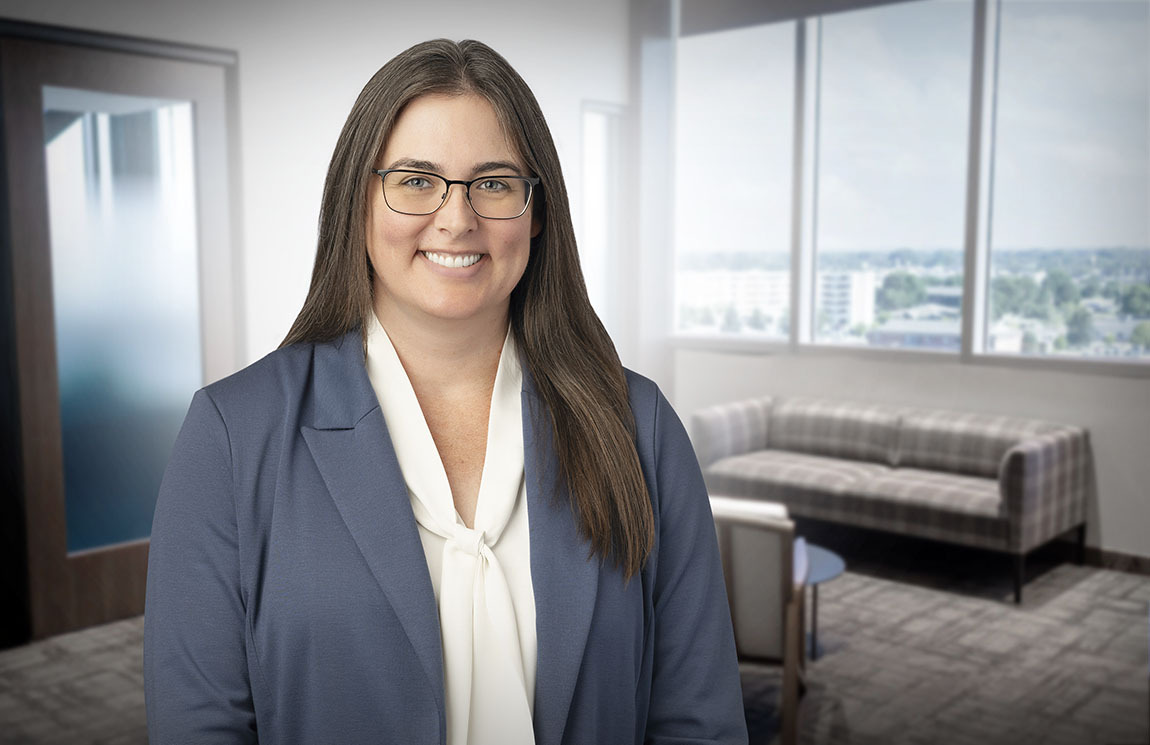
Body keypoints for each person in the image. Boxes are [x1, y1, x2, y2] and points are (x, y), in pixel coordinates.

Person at [143, 38, 747, 745]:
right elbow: (200, 726)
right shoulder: (232, 435)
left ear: (537, 211)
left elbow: (697, 721)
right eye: (416, 180)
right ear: (358, 201)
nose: (457, 219)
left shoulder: (639, 426)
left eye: (493, 182)